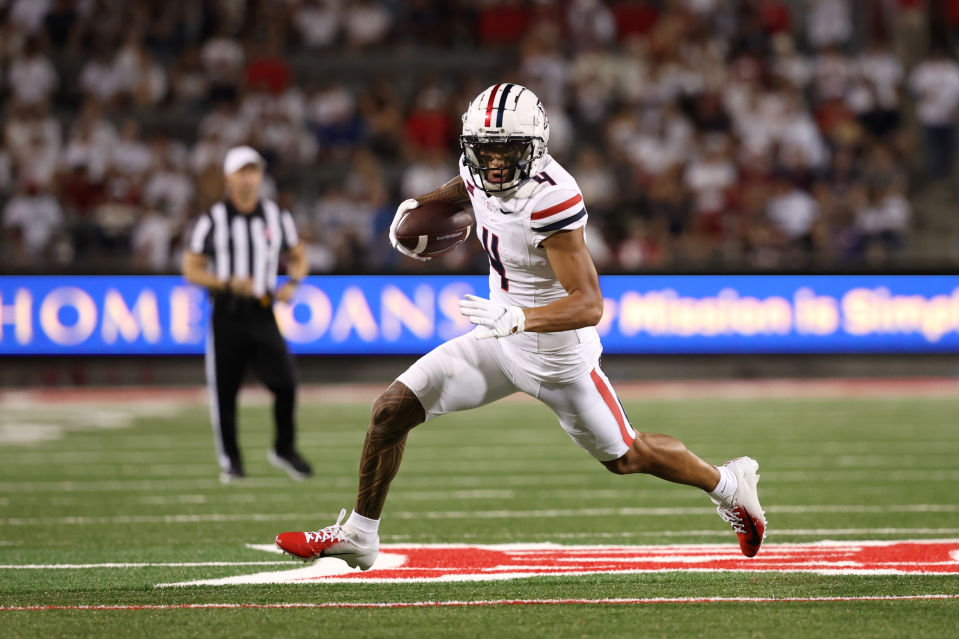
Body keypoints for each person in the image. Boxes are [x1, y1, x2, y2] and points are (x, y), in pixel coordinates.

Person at [275, 85, 766, 568]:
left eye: (506, 150)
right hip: (497, 342)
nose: (493, 163)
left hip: (557, 357)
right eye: (484, 149)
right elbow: (463, 187)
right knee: (390, 411)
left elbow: (590, 303)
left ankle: (728, 484)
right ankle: (360, 535)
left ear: (534, 147)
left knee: (627, 456)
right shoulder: (478, 168)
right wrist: (420, 208)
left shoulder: (551, 199)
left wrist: (520, 318)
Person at [182, 145, 313, 483]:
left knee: (285, 383)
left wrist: (293, 283)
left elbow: (299, 255)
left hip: (262, 310)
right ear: (229, 177)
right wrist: (223, 282)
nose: (249, 177)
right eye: (242, 170)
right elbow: (191, 268)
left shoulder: (276, 216)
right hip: (227, 312)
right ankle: (232, 461)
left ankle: (284, 448)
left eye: (253, 170)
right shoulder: (213, 219)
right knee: (225, 392)